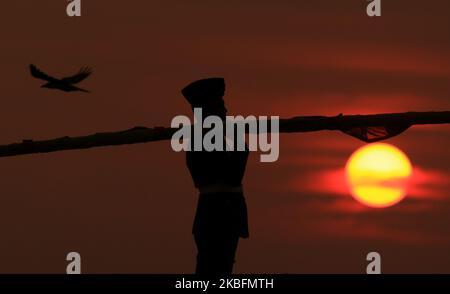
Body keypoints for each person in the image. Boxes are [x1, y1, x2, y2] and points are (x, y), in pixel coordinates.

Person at [182, 78, 249, 275]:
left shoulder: (211, 137)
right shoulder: (200, 139)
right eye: (220, 106)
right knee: (213, 268)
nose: (225, 111)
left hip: (220, 209)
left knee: (220, 266)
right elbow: (232, 174)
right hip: (218, 211)